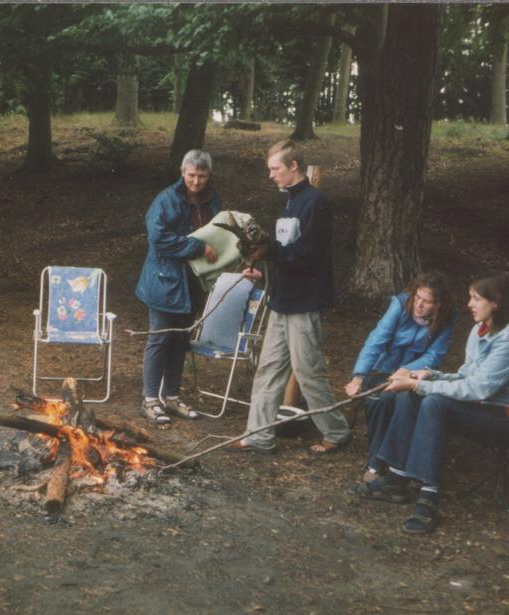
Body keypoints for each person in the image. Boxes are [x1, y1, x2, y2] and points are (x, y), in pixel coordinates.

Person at [350, 274, 509, 534]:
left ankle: (428, 498)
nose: (469, 304)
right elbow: (468, 376)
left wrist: (420, 385)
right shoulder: (480, 329)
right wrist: (428, 375)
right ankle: (396, 481)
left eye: (476, 299)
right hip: (490, 405)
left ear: (496, 303)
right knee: (412, 394)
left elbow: (478, 388)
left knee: (434, 403)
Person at [228, 139, 350, 454]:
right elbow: (286, 254)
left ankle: (336, 432)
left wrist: (272, 252)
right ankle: (259, 435)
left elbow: (308, 254)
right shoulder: (289, 202)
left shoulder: (314, 203)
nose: (271, 175)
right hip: (282, 301)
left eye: (275, 168)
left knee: (308, 372)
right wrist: (263, 262)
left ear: (293, 166)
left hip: (305, 302)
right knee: (269, 368)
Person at [345, 271, 457, 482]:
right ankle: (376, 460)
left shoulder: (448, 317)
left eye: (427, 302)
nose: (419, 305)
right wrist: (358, 376)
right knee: (380, 400)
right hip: (383, 369)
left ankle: (381, 461)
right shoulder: (399, 305)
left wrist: (407, 370)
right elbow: (376, 341)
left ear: (439, 304)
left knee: (399, 400)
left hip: (415, 373)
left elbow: (435, 355)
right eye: (417, 298)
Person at [135, 150, 220, 426]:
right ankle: (150, 400)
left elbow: (220, 231)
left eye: (202, 176)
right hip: (164, 280)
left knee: (180, 341)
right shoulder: (166, 199)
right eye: (192, 175)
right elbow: (159, 238)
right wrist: (196, 247)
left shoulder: (212, 199)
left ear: (208, 176)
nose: (196, 181)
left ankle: (171, 397)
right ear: (183, 173)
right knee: (160, 339)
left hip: (193, 281)